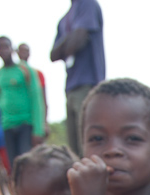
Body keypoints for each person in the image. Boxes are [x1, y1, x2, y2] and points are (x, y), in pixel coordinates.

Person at [51, 0, 105, 157]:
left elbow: (78, 40)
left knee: (91, 146)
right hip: (70, 87)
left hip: (89, 84)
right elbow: (53, 55)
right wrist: (71, 38)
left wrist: (66, 44)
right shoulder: (64, 19)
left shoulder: (87, 4)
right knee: (75, 150)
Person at [0, 36, 46, 165]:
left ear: (12, 49)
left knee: (27, 163)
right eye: (0, 47)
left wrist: (38, 130)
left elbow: (37, 99)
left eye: (6, 47)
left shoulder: (25, 70)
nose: (3, 50)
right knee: (14, 166)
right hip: (7, 125)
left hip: (25, 124)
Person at [18, 43, 49, 131]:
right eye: (21, 50)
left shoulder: (38, 74)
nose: (24, 53)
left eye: (26, 51)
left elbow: (43, 100)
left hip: (35, 121)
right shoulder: (13, 74)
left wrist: (44, 123)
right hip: (18, 121)